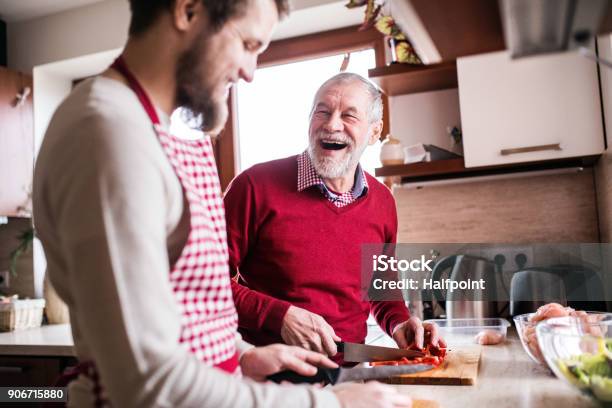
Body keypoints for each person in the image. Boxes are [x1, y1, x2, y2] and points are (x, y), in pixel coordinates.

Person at [33, 1, 413, 407]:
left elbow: (182, 311)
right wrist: (331, 404)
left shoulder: (143, 128)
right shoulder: (108, 133)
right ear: (188, 11)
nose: (249, 72)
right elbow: (148, 382)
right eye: (247, 44)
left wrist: (241, 355)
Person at [224, 73, 445, 357]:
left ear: (375, 132)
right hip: (269, 376)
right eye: (322, 112)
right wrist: (279, 316)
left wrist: (399, 323)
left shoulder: (383, 202)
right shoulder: (253, 186)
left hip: (351, 371)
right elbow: (204, 283)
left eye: (349, 116)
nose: (332, 125)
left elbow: (379, 289)